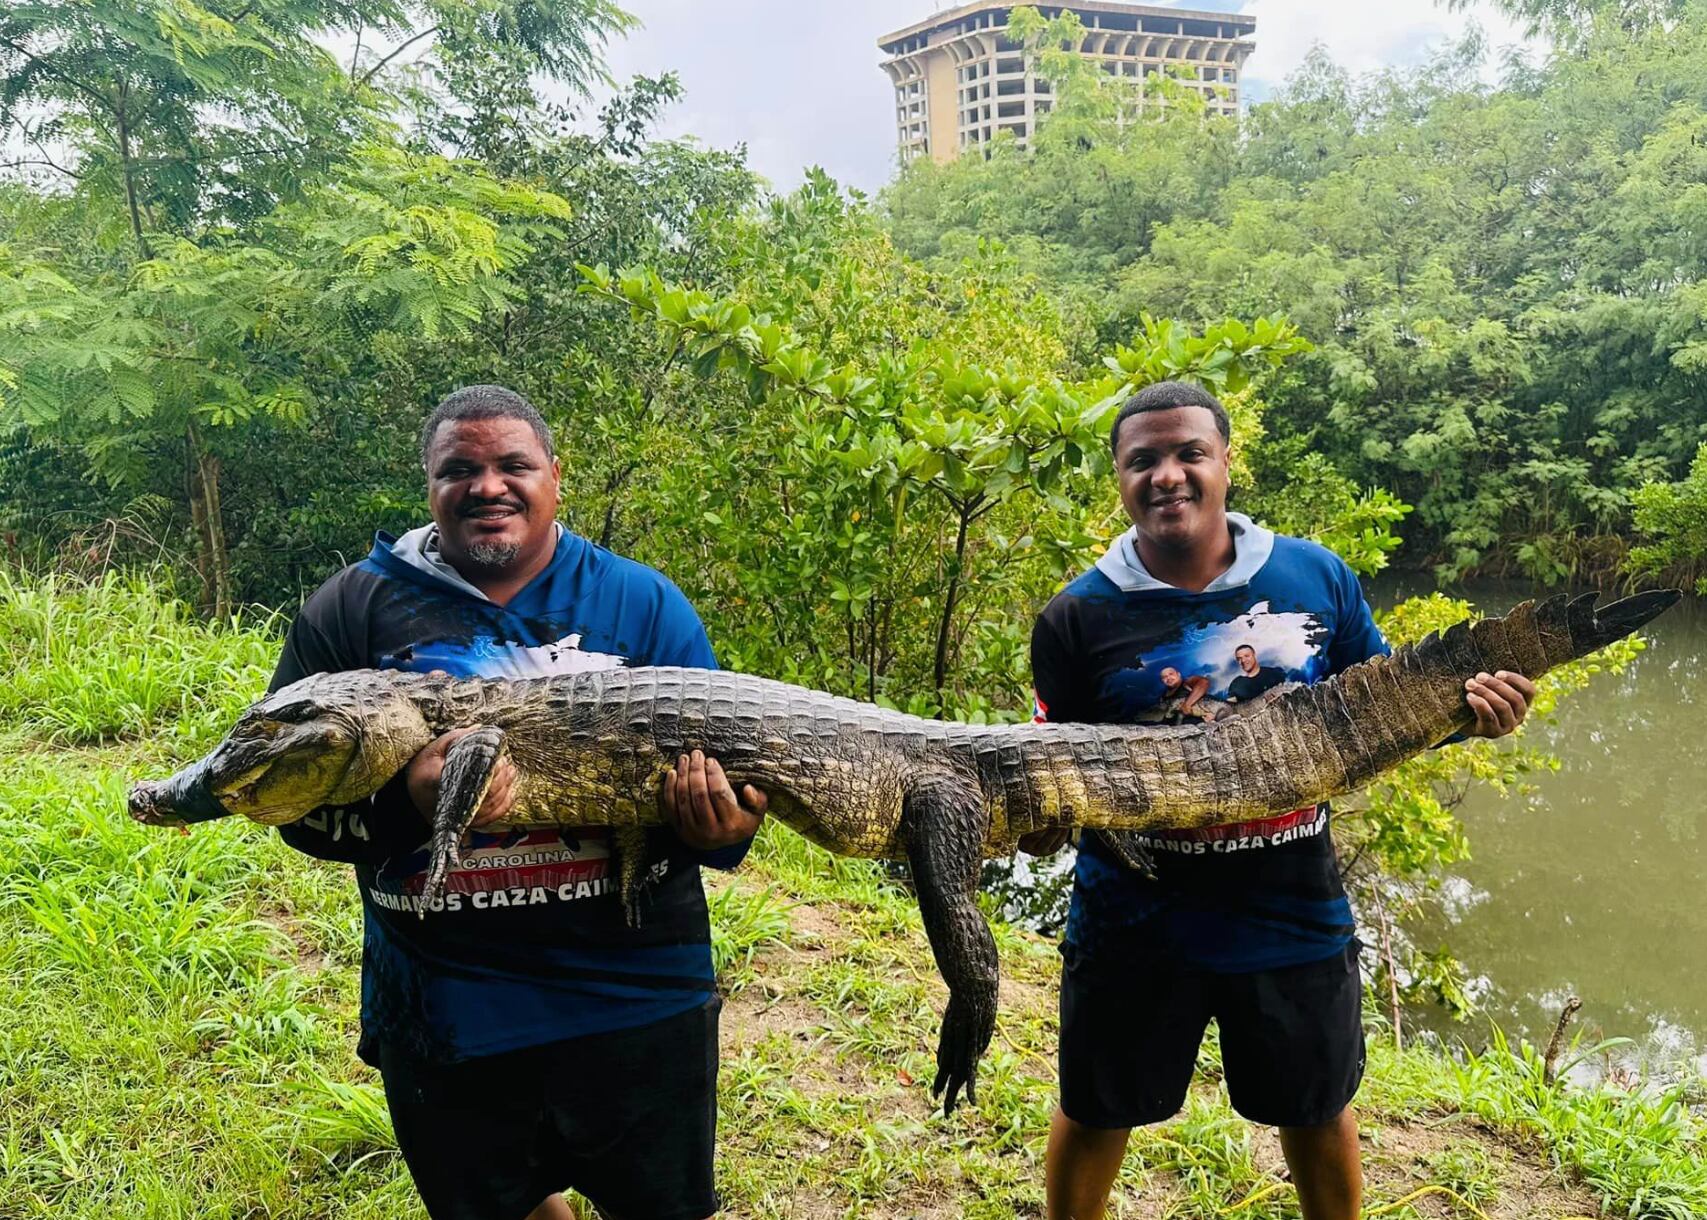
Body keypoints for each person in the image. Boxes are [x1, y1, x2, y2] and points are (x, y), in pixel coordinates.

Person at [1020, 381, 1534, 1220]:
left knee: (1317, 1111)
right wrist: (1036, 822)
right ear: (1118, 479)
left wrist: (1466, 717)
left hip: (1291, 908)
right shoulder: (1075, 616)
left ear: (1225, 463)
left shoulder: (1312, 575)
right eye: (1142, 460)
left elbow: (1378, 711)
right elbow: (1053, 770)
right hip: (1131, 919)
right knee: (1095, 1109)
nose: (1166, 475)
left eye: (1189, 453)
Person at [270, 384, 766, 1220]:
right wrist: (411, 803)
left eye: (513, 465)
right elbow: (293, 808)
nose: (487, 486)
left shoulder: (642, 604)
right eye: (458, 470)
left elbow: (732, 792)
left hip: (636, 995)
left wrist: (720, 828)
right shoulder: (349, 611)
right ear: (429, 484)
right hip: (443, 1005)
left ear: (555, 477)